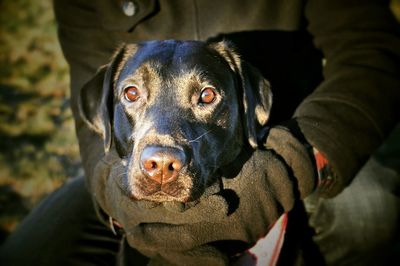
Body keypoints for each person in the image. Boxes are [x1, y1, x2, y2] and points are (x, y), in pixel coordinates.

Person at [1, 0, 399, 265]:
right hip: (127, 161)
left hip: (286, 134)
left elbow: (371, 53)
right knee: (33, 251)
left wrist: (287, 163)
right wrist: (115, 196)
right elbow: (95, 116)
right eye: (133, 92)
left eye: (205, 94)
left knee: (370, 215)